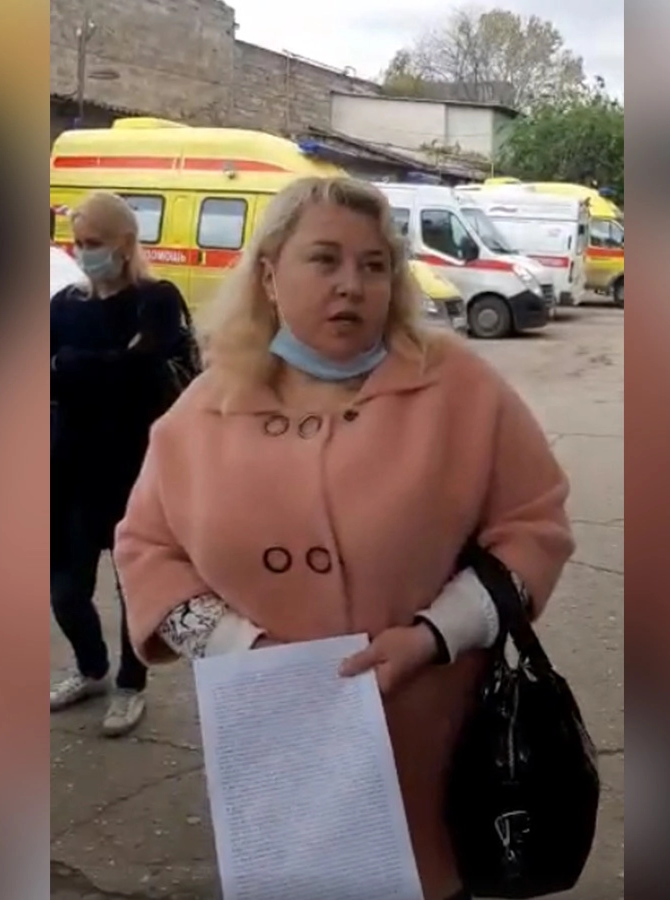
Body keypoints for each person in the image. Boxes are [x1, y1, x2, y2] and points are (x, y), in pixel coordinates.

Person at [114, 176, 575, 900]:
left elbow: (535, 527)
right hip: (278, 750)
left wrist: (434, 634)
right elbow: (147, 549)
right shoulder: (206, 408)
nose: (352, 285)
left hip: (435, 744)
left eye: (374, 265)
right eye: (324, 260)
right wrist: (245, 650)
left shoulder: (460, 387)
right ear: (270, 275)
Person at [51, 191, 195, 737]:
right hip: (70, 465)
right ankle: (92, 668)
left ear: (125, 243)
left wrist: (70, 365)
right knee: (65, 588)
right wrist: (104, 365)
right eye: (78, 242)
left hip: (136, 465)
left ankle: (132, 685)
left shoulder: (155, 300)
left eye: (94, 242)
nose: (84, 252)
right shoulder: (64, 305)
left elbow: (142, 369)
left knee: (134, 586)